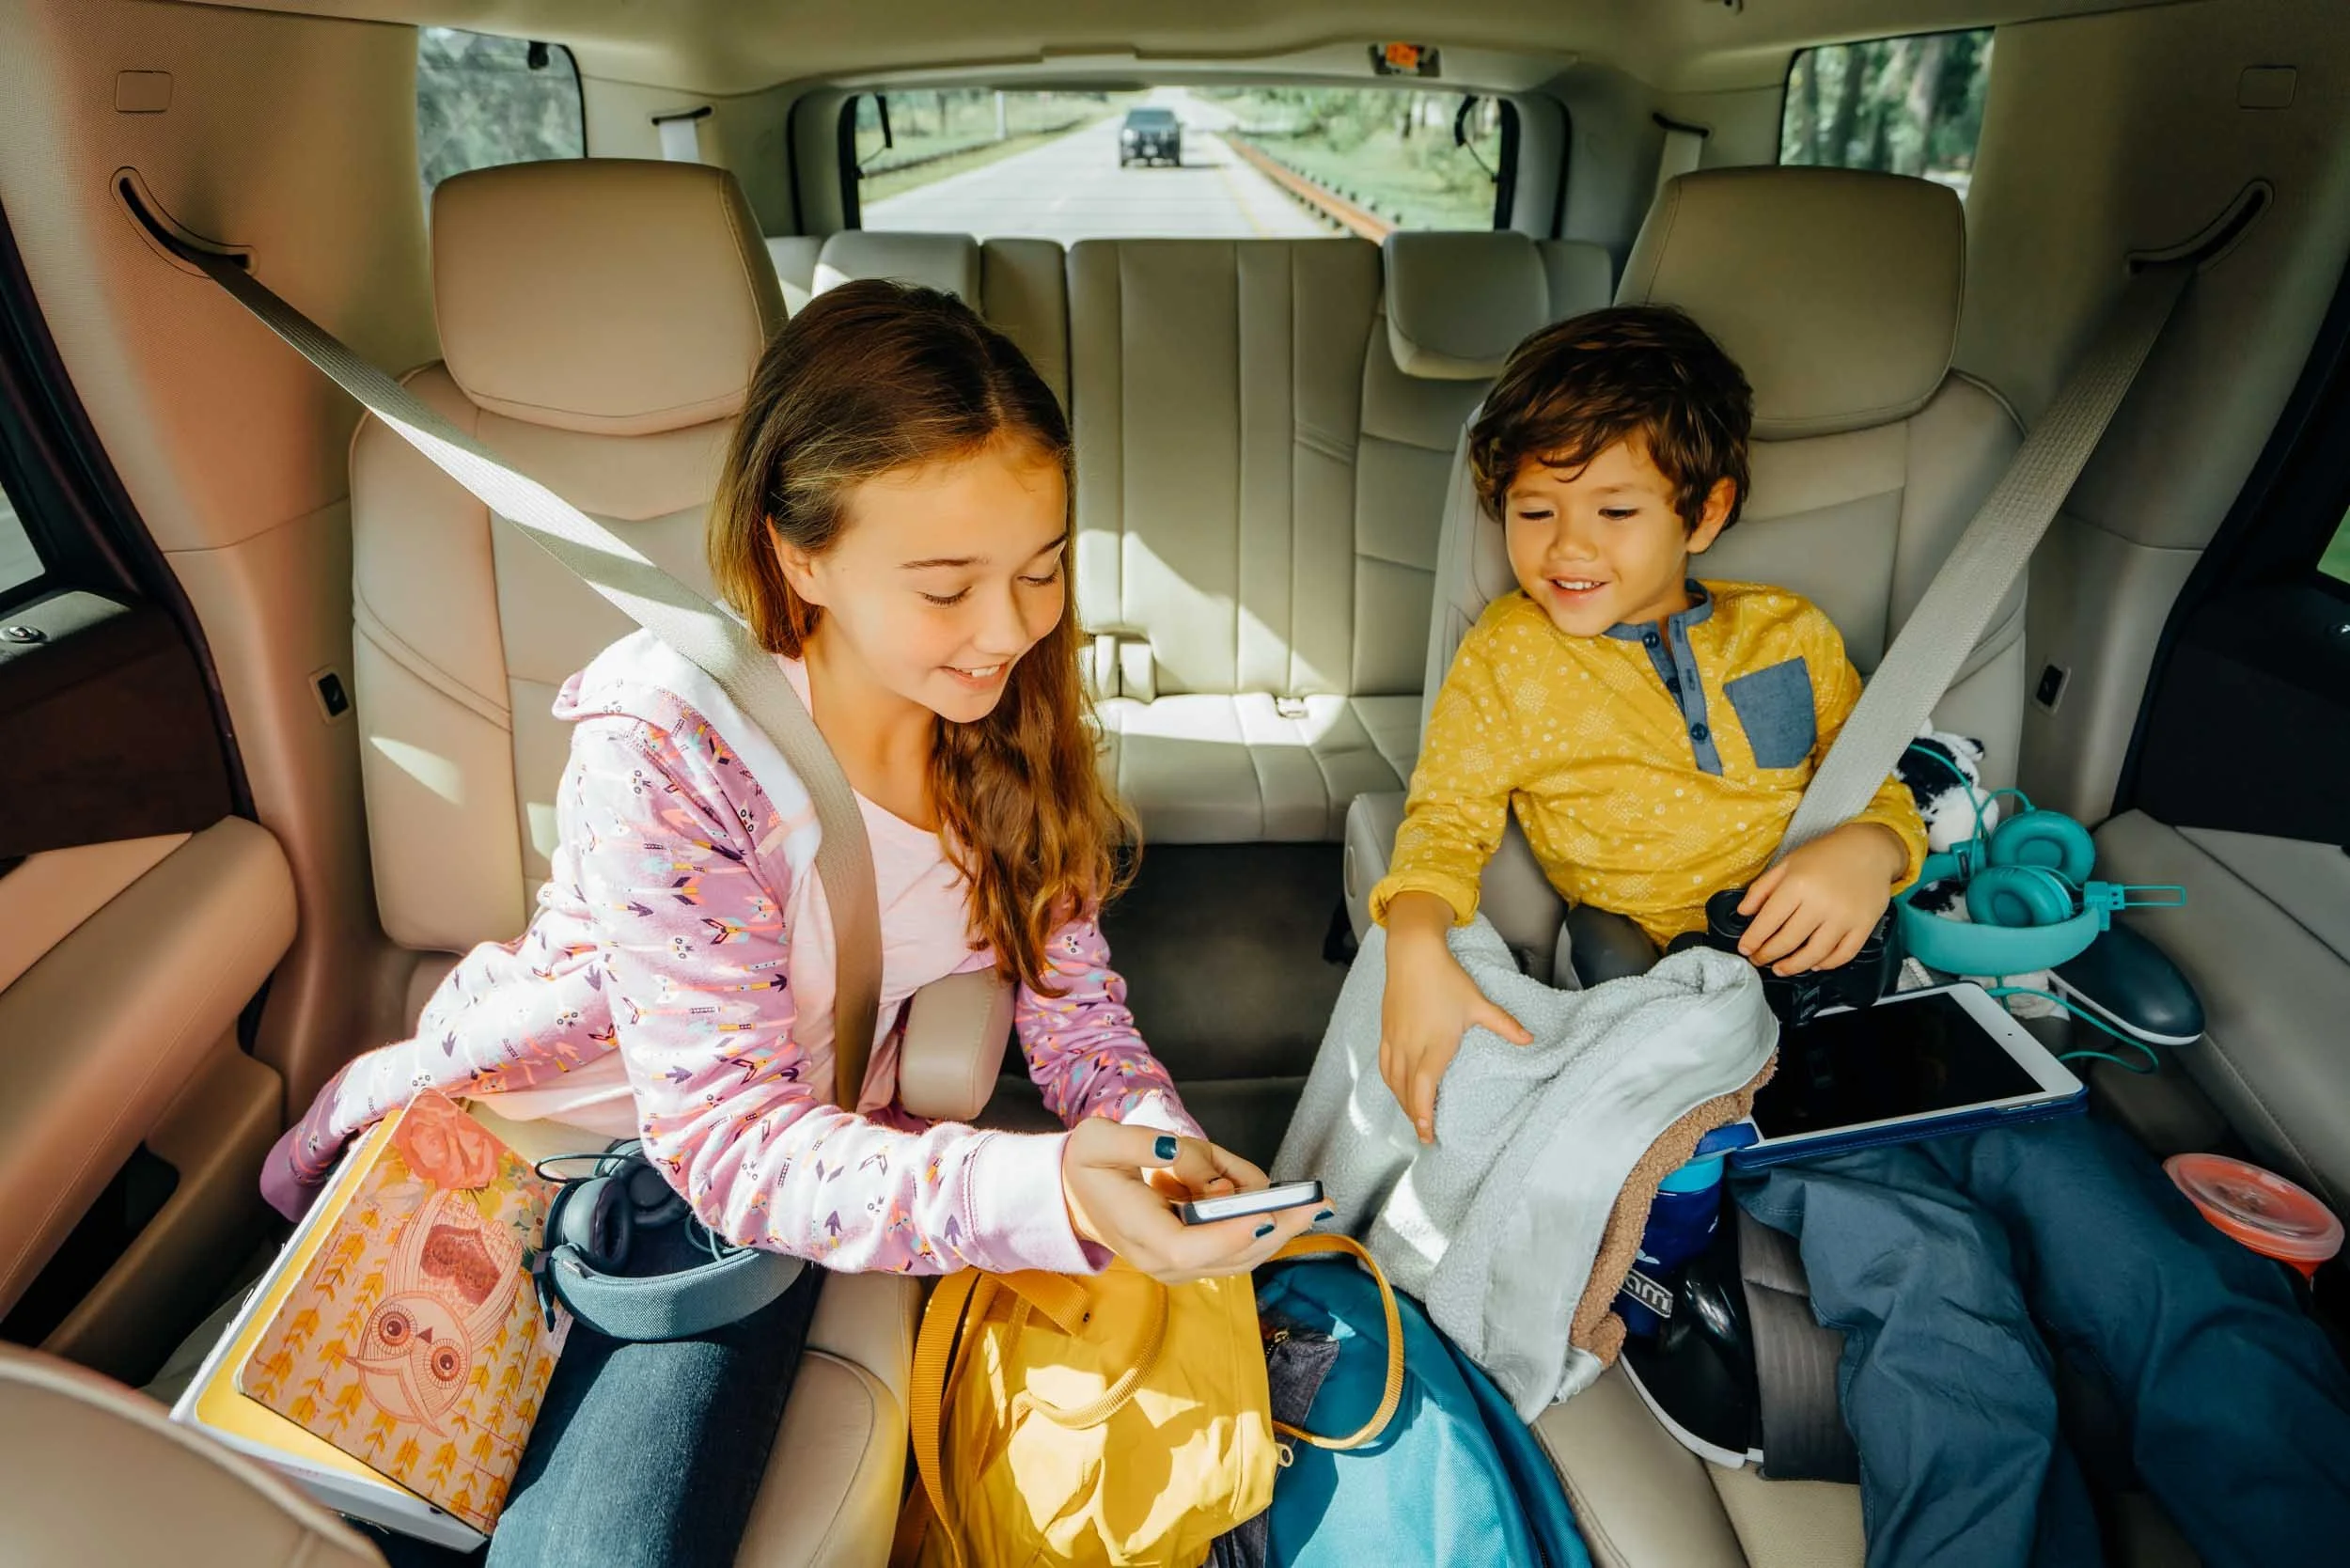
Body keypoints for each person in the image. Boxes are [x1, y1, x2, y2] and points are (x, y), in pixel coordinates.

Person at [260, 281, 1321, 1568]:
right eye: (947, 588)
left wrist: (1157, 1151)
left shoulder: (1014, 724)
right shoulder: (672, 745)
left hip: (742, 1204)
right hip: (542, 1154)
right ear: (798, 553)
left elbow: (1079, 1016)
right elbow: (720, 1132)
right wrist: (1035, 1182)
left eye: (1042, 569)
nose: (1010, 627)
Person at [1368, 306, 2350, 1567]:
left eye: (1614, 511)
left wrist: (1872, 844)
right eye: (1533, 510)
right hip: (1749, 1048)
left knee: (2171, 1282)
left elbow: (1885, 781)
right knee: (1941, 1307)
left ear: (1704, 514)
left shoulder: (1791, 632)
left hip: (1930, 1017)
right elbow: (1442, 821)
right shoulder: (1508, 661)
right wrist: (1412, 946)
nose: (1564, 548)